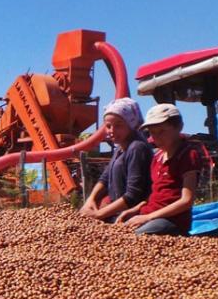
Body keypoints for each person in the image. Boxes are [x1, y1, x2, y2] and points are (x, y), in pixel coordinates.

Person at [116, 103, 202, 235]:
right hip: (150, 214)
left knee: (137, 237)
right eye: (152, 133)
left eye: (161, 131)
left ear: (179, 127)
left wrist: (147, 217)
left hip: (172, 220)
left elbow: (186, 200)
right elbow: (155, 194)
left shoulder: (187, 155)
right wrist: (135, 209)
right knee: (116, 233)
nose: (156, 137)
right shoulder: (157, 158)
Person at [80, 98, 152, 222]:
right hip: (117, 213)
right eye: (108, 126)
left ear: (131, 124)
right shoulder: (121, 148)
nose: (111, 131)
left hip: (132, 216)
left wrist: (98, 215)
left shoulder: (137, 148)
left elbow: (133, 195)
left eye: (118, 125)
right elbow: (105, 178)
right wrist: (90, 199)